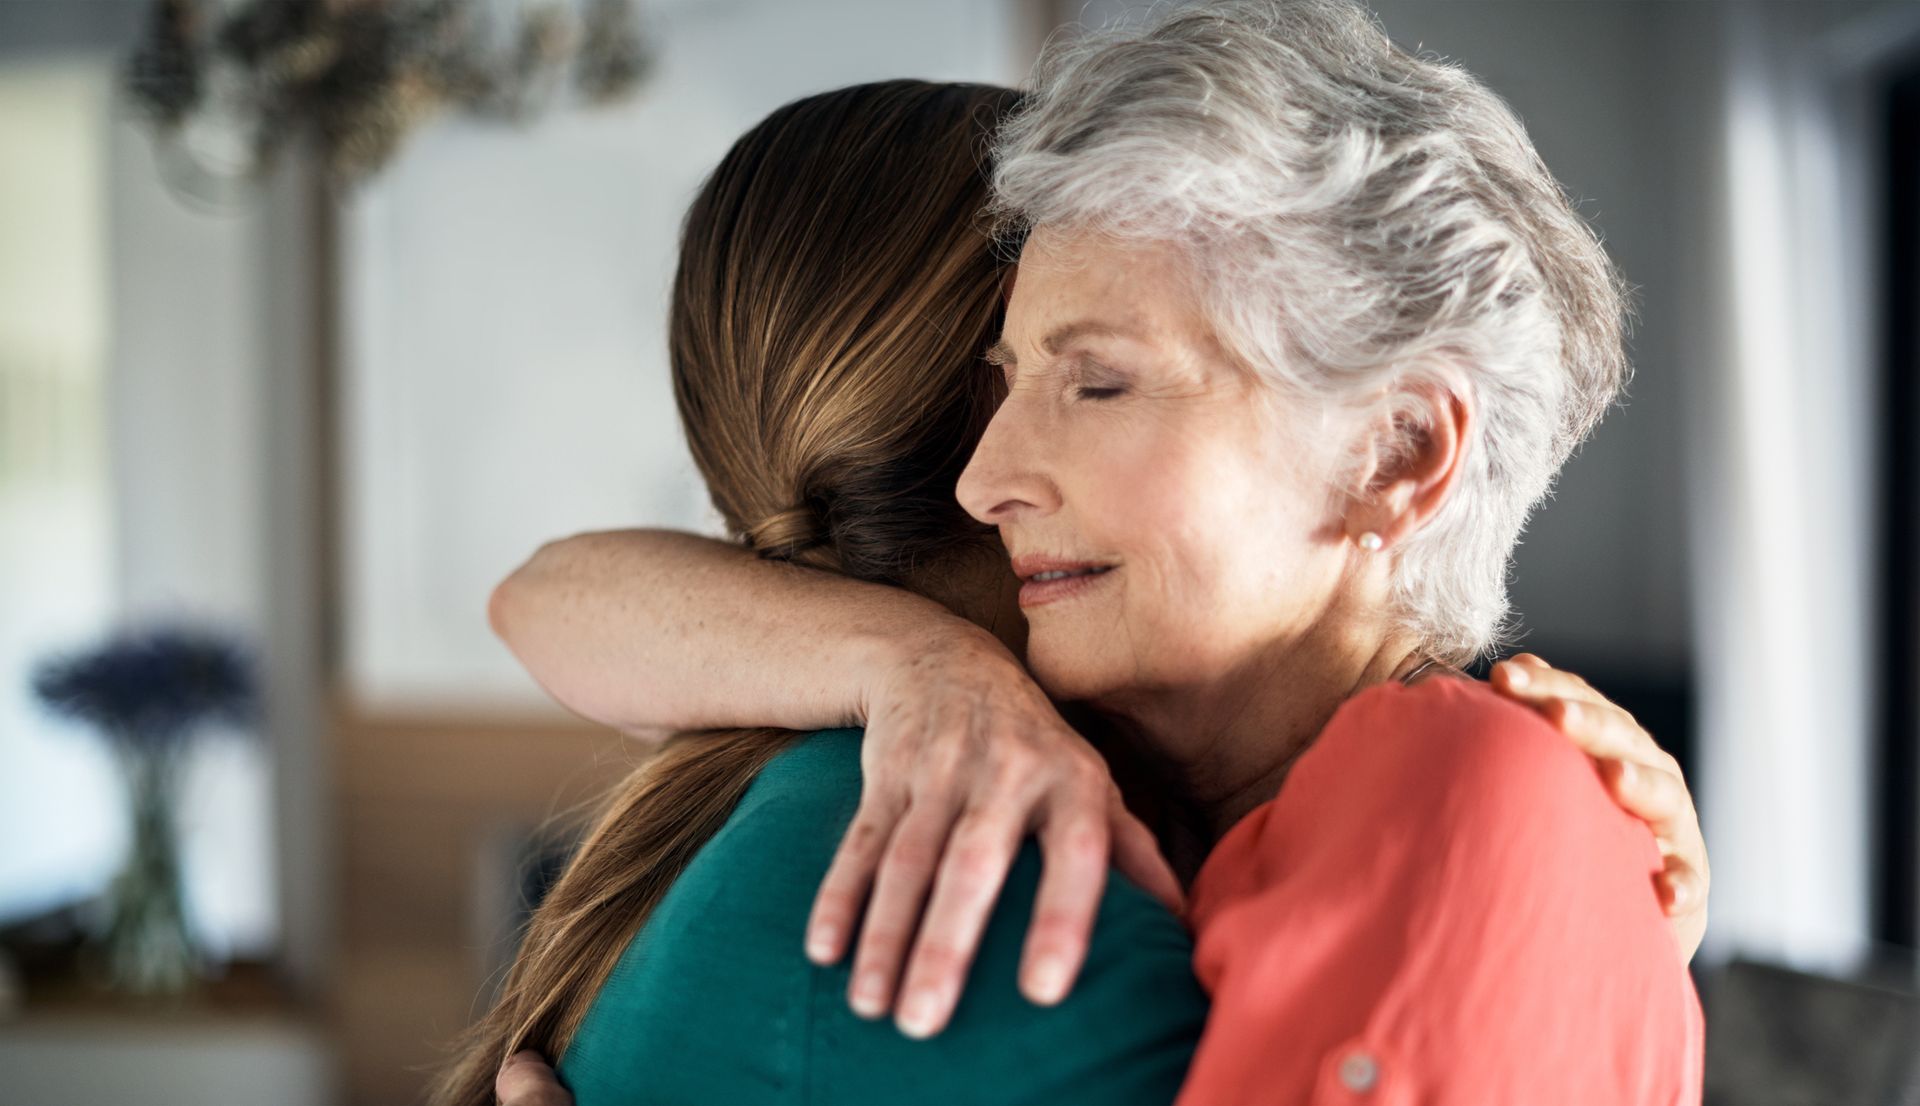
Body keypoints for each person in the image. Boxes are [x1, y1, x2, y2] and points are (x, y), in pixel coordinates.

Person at [482, 2, 1711, 1102]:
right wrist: (917, 663)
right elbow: (545, 597)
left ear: (1393, 453)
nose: (984, 476)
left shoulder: (1475, 799)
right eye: (1005, 382)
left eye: (1103, 383)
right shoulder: (1138, 814)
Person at [433, 79, 1210, 1106]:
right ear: (1001, 398)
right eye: (1093, 373)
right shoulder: (1046, 940)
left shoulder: (732, 797)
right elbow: (532, 592)